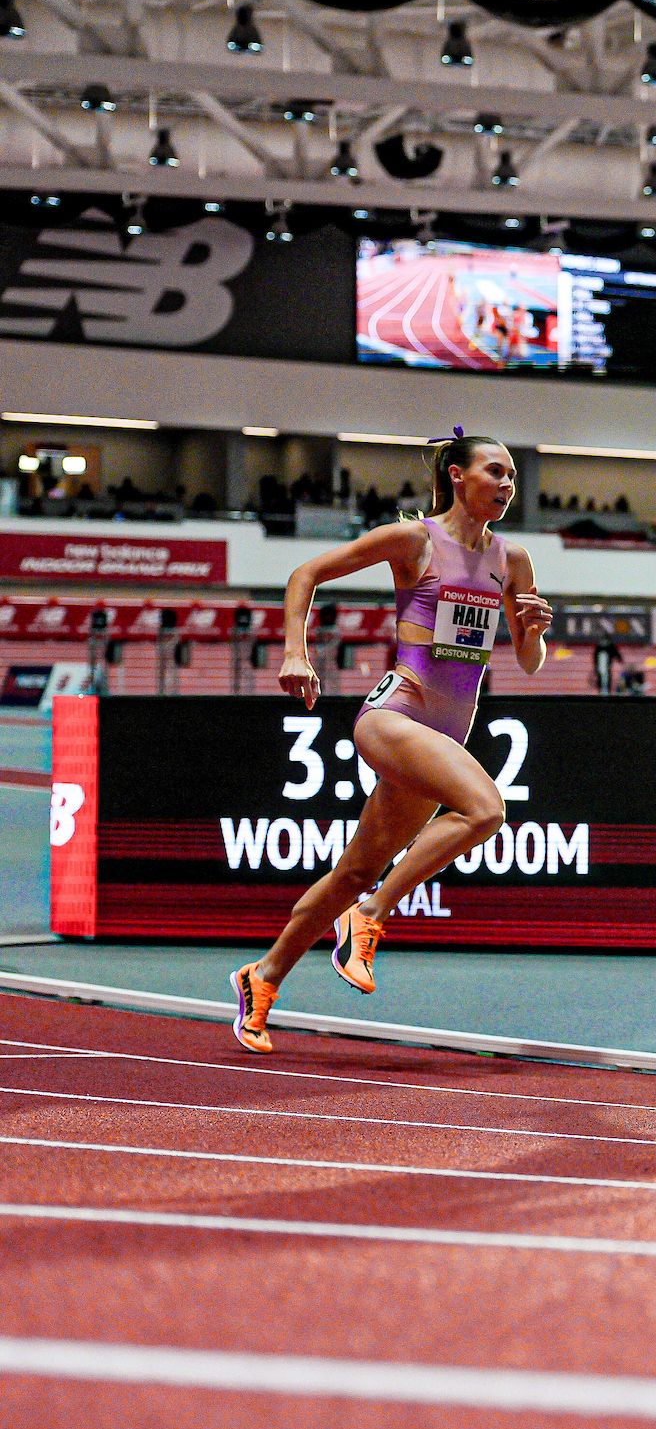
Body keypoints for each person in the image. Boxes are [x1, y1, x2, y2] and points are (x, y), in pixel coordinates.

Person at [230, 430, 552, 1053]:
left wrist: (534, 631)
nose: (507, 486)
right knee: (486, 809)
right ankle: (373, 916)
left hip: (445, 731)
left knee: (352, 871)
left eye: (513, 476)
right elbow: (306, 573)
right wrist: (295, 653)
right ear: (457, 476)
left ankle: (261, 980)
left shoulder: (512, 561)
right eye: (495, 472)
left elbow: (529, 660)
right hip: (394, 717)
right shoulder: (414, 538)